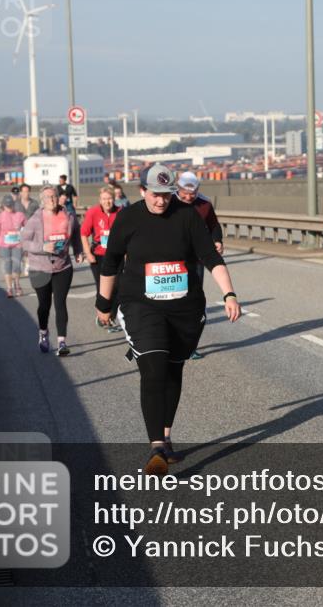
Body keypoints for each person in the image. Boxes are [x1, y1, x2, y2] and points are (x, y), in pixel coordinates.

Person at [96, 163, 241, 475]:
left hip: (184, 309)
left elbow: (211, 257)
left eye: (166, 194)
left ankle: (165, 434)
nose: (161, 200)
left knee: (173, 369)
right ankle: (156, 448)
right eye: (155, 194)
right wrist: (103, 303)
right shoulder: (128, 218)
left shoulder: (187, 216)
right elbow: (110, 262)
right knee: (154, 365)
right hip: (140, 305)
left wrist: (229, 294)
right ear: (142, 191)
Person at [22, 185, 83, 356]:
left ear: (58, 197)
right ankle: (43, 332)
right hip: (39, 268)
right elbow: (24, 242)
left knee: (60, 303)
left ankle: (62, 342)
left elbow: (76, 235)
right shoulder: (36, 219)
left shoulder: (69, 216)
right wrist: (42, 247)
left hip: (63, 267)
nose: (52, 199)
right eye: (48, 197)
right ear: (42, 200)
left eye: (54, 196)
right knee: (44, 305)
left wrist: (78, 251)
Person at [175, 171, 224, 360]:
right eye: (185, 193)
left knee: (193, 301)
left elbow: (214, 226)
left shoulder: (204, 204)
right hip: (173, 260)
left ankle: (190, 346)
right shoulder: (168, 201)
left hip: (196, 260)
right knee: (174, 300)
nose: (189, 197)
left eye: (192, 193)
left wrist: (217, 240)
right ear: (178, 188)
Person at [80, 185, 122, 331]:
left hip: (116, 255)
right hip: (99, 255)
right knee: (102, 288)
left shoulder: (121, 212)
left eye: (109, 198)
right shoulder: (93, 212)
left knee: (118, 287)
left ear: (114, 199)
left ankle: (111, 315)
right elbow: (84, 233)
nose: (107, 202)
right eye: (104, 199)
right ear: (100, 200)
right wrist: (88, 253)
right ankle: (104, 317)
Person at [0, 195, 27, 297]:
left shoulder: (20, 215)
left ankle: (17, 284)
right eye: (7, 206)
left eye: (11, 205)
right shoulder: (0, 216)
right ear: (3, 205)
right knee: (8, 265)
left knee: (17, 265)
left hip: (17, 244)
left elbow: (28, 228)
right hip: (4, 245)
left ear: (13, 204)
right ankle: (9, 288)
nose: (9, 207)